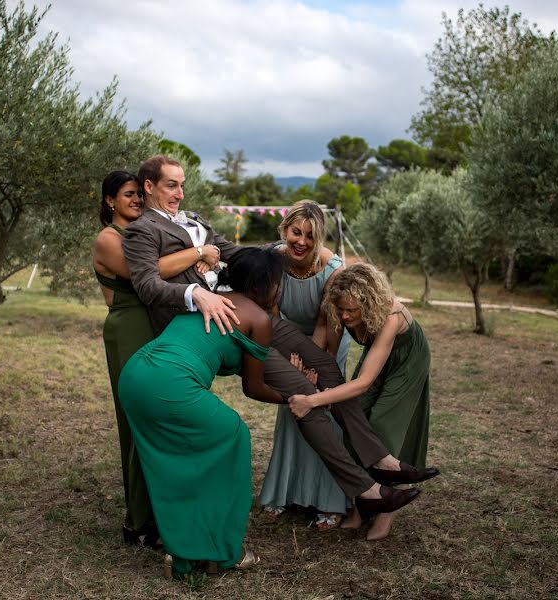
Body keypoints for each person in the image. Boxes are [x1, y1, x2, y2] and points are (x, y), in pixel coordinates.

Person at [122, 155, 431, 542]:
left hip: (247, 306)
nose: (180, 193)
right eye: (171, 185)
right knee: (305, 389)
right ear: (149, 186)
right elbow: (147, 285)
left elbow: (235, 253)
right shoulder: (142, 231)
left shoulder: (195, 220)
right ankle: (364, 490)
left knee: (324, 364)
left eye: (182, 185)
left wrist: (278, 254)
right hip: (222, 322)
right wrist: (196, 294)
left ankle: (378, 458)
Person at [115, 248, 295, 577]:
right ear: (266, 283)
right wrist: (291, 398)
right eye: (278, 282)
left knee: (173, 459)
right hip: (171, 384)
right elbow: (253, 388)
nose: (280, 289)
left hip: (135, 374)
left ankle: (185, 546)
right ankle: (224, 551)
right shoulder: (258, 318)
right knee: (234, 436)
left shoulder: (207, 298)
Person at [92, 170, 221, 547]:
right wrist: (198, 253)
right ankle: (139, 520)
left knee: (161, 416)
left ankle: (163, 510)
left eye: (138, 194)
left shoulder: (143, 233)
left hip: (157, 324)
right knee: (138, 420)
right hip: (129, 325)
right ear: (109, 201)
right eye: (127, 194)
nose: (135, 200)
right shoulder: (109, 238)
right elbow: (145, 274)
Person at [288, 262, 437, 541]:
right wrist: (309, 374)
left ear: (369, 304)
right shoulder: (339, 310)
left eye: (352, 311)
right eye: (341, 309)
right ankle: (364, 501)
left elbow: (363, 383)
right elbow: (327, 357)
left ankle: (386, 512)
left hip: (407, 359)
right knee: (356, 421)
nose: (345, 316)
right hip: (377, 355)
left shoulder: (390, 316)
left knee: (383, 423)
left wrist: (313, 400)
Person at [258, 200, 351, 526]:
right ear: (285, 229)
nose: (301, 241)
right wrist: (288, 361)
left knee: (321, 407)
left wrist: (312, 366)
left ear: (320, 238)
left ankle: (330, 499)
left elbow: (327, 324)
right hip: (286, 336)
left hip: (327, 341)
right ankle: (284, 491)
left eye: (310, 236)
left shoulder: (332, 269)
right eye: (296, 232)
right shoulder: (272, 258)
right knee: (292, 405)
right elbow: (269, 312)